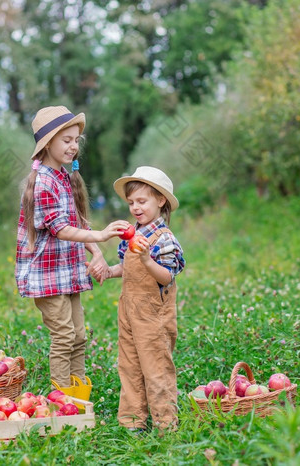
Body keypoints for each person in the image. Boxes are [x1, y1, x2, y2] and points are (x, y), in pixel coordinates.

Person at [15, 105, 129, 397]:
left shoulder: (63, 178)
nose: (73, 146)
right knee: (64, 335)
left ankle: (78, 396)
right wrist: (102, 235)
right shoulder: (42, 182)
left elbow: (75, 221)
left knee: (79, 336)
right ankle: (62, 399)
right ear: (48, 142)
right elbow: (60, 229)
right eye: (66, 140)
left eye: (76, 140)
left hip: (67, 270)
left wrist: (97, 252)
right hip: (47, 275)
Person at [96, 166, 185, 432]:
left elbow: (166, 277)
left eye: (142, 201)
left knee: (156, 367)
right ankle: (132, 421)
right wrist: (110, 271)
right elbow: (127, 265)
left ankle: (165, 422)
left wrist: (147, 259)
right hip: (129, 311)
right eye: (131, 202)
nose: (135, 207)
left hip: (153, 314)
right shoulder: (133, 233)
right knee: (130, 365)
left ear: (160, 201)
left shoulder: (164, 239)